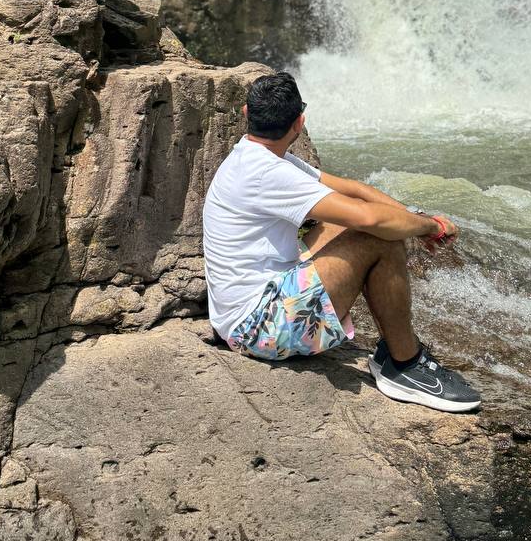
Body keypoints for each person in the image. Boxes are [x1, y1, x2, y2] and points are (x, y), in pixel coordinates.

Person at [202, 71, 481, 412]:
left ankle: (393, 352)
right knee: (377, 237)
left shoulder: (259, 157)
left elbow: (352, 189)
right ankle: (404, 364)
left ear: (246, 114)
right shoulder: (266, 172)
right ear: (299, 124)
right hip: (256, 330)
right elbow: (369, 219)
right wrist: (424, 228)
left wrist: (418, 217)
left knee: (351, 224)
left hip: (252, 308)